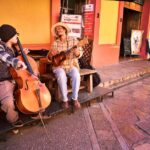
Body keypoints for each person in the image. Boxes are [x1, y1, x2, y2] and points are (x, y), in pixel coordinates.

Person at [47, 22, 83, 109]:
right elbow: (48, 58)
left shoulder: (74, 40)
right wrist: (51, 54)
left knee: (76, 75)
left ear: (65, 30)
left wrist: (78, 53)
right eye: (57, 29)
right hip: (58, 66)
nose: (58, 30)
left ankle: (74, 99)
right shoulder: (55, 43)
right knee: (61, 75)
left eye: (60, 28)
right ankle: (65, 100)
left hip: (71, 65)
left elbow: (80, 52)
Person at [0, 24, 27, 127]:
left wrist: (21, 53)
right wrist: (16, 61)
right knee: (8, 103)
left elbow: (13, 57)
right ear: (8, 36)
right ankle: (14, 119)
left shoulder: (14, 48)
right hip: (5, 80)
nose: (17, 37)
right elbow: (4, 56)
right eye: (15, 34)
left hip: (17, 77)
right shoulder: (1, 46)